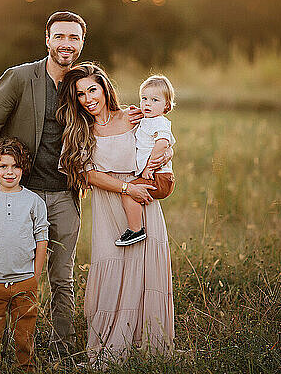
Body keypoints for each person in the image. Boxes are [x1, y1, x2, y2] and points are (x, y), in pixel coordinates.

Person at [0, 11, 86, 358]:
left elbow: (104, 115)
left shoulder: (81, 83)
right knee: (16, 275)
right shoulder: (20, 78)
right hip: (23, 196)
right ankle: (14, 349)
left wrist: (135, 116)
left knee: (62, 278)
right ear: (48, 40)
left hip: (66, 195)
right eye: (60, 37)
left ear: (82, 43)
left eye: (74, 38)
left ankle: (64, 349)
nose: (67, 44)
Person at [58, 63, 174, 369]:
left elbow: (160, 136)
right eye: (80, 94)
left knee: (146, 269)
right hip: (113, 202)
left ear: (104, 88)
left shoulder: (134, 116)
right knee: (112, 268)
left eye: (92, 89)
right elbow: (89, 175)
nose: (87, 98)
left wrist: (167, 153)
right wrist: (126, 188)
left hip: (143, 200)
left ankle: (149, 347)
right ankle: (107, 350)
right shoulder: (80, 130)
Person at [0, 137, 49, 369]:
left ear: (23, 168)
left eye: (15, 166)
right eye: (3, 166)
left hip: (25, 281)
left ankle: (25, 368)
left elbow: (41, 238)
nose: (9, 172)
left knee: (25, 336)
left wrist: (35, 276)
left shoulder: (33, 202)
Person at [115, 74, 176, 247]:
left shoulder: (160, 122)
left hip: (160, 177)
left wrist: (149, 167)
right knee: (130, 192)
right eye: (144, 98)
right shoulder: (147, 121)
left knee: (128, 193)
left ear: (167, 106)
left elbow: (162, 143)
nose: (147, 103)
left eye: (155, 100)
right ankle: (136, 228)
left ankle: (136, 230)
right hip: (157, 176)